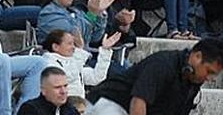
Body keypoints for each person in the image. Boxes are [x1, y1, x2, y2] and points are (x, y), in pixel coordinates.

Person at [87, 37, 223, 114]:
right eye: (209, 71)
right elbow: (138, 102)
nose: (209, 78)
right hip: (109, 103)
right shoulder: (162, 64)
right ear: (197, 56)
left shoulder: (193, 81)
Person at [42, 29, 116, 99]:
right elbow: (67, 76)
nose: (74, 47)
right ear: (55, 47)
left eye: (74, 44)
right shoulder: (48, 63)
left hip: (79, 105)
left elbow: (96, 77)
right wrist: (79, 53)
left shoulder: (73, 63)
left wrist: (105, 51)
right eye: (69, 44)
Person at [36, 0, 110, 46]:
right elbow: (74, 36)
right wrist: (92, 13)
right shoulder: (48, 14)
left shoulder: (76, 11)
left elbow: (94, 38)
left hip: (81, 55)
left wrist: (99, 13)